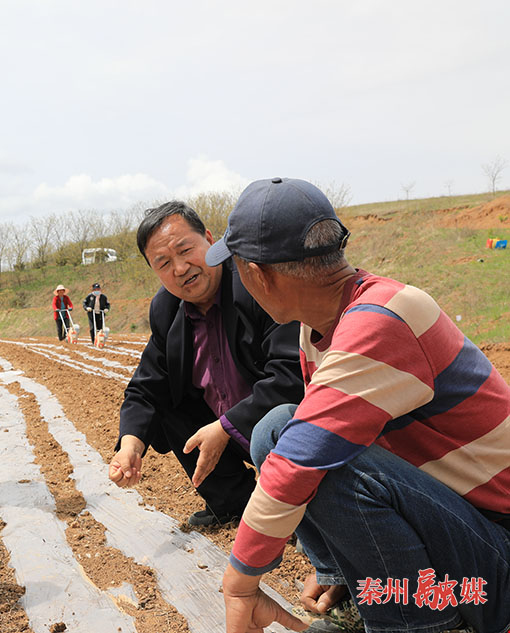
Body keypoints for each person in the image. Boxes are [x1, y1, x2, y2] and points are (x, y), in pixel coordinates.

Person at [206, 178, 510, 633]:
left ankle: (422, 623)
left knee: (314, 454)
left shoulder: (383, 319)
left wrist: (239, 583)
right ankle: (353, 593)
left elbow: (301, 459)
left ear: (258, 274)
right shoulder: (321, 325)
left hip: (496, 553)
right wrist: (340, 562)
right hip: (459, 530)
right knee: (276, 429)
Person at [108, 201, 304, 527]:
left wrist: (226, 426)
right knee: (169, 404)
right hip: (229, 434)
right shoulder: (166, 309)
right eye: (164, 263)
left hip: (286, 427)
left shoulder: (254, 282)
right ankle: (233, 504)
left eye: (186, 250)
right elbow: (146, 386)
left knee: (280, 419)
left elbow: (292, 374)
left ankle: (306, 511)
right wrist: (130, 445)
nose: (180, 268)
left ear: (210, 240)